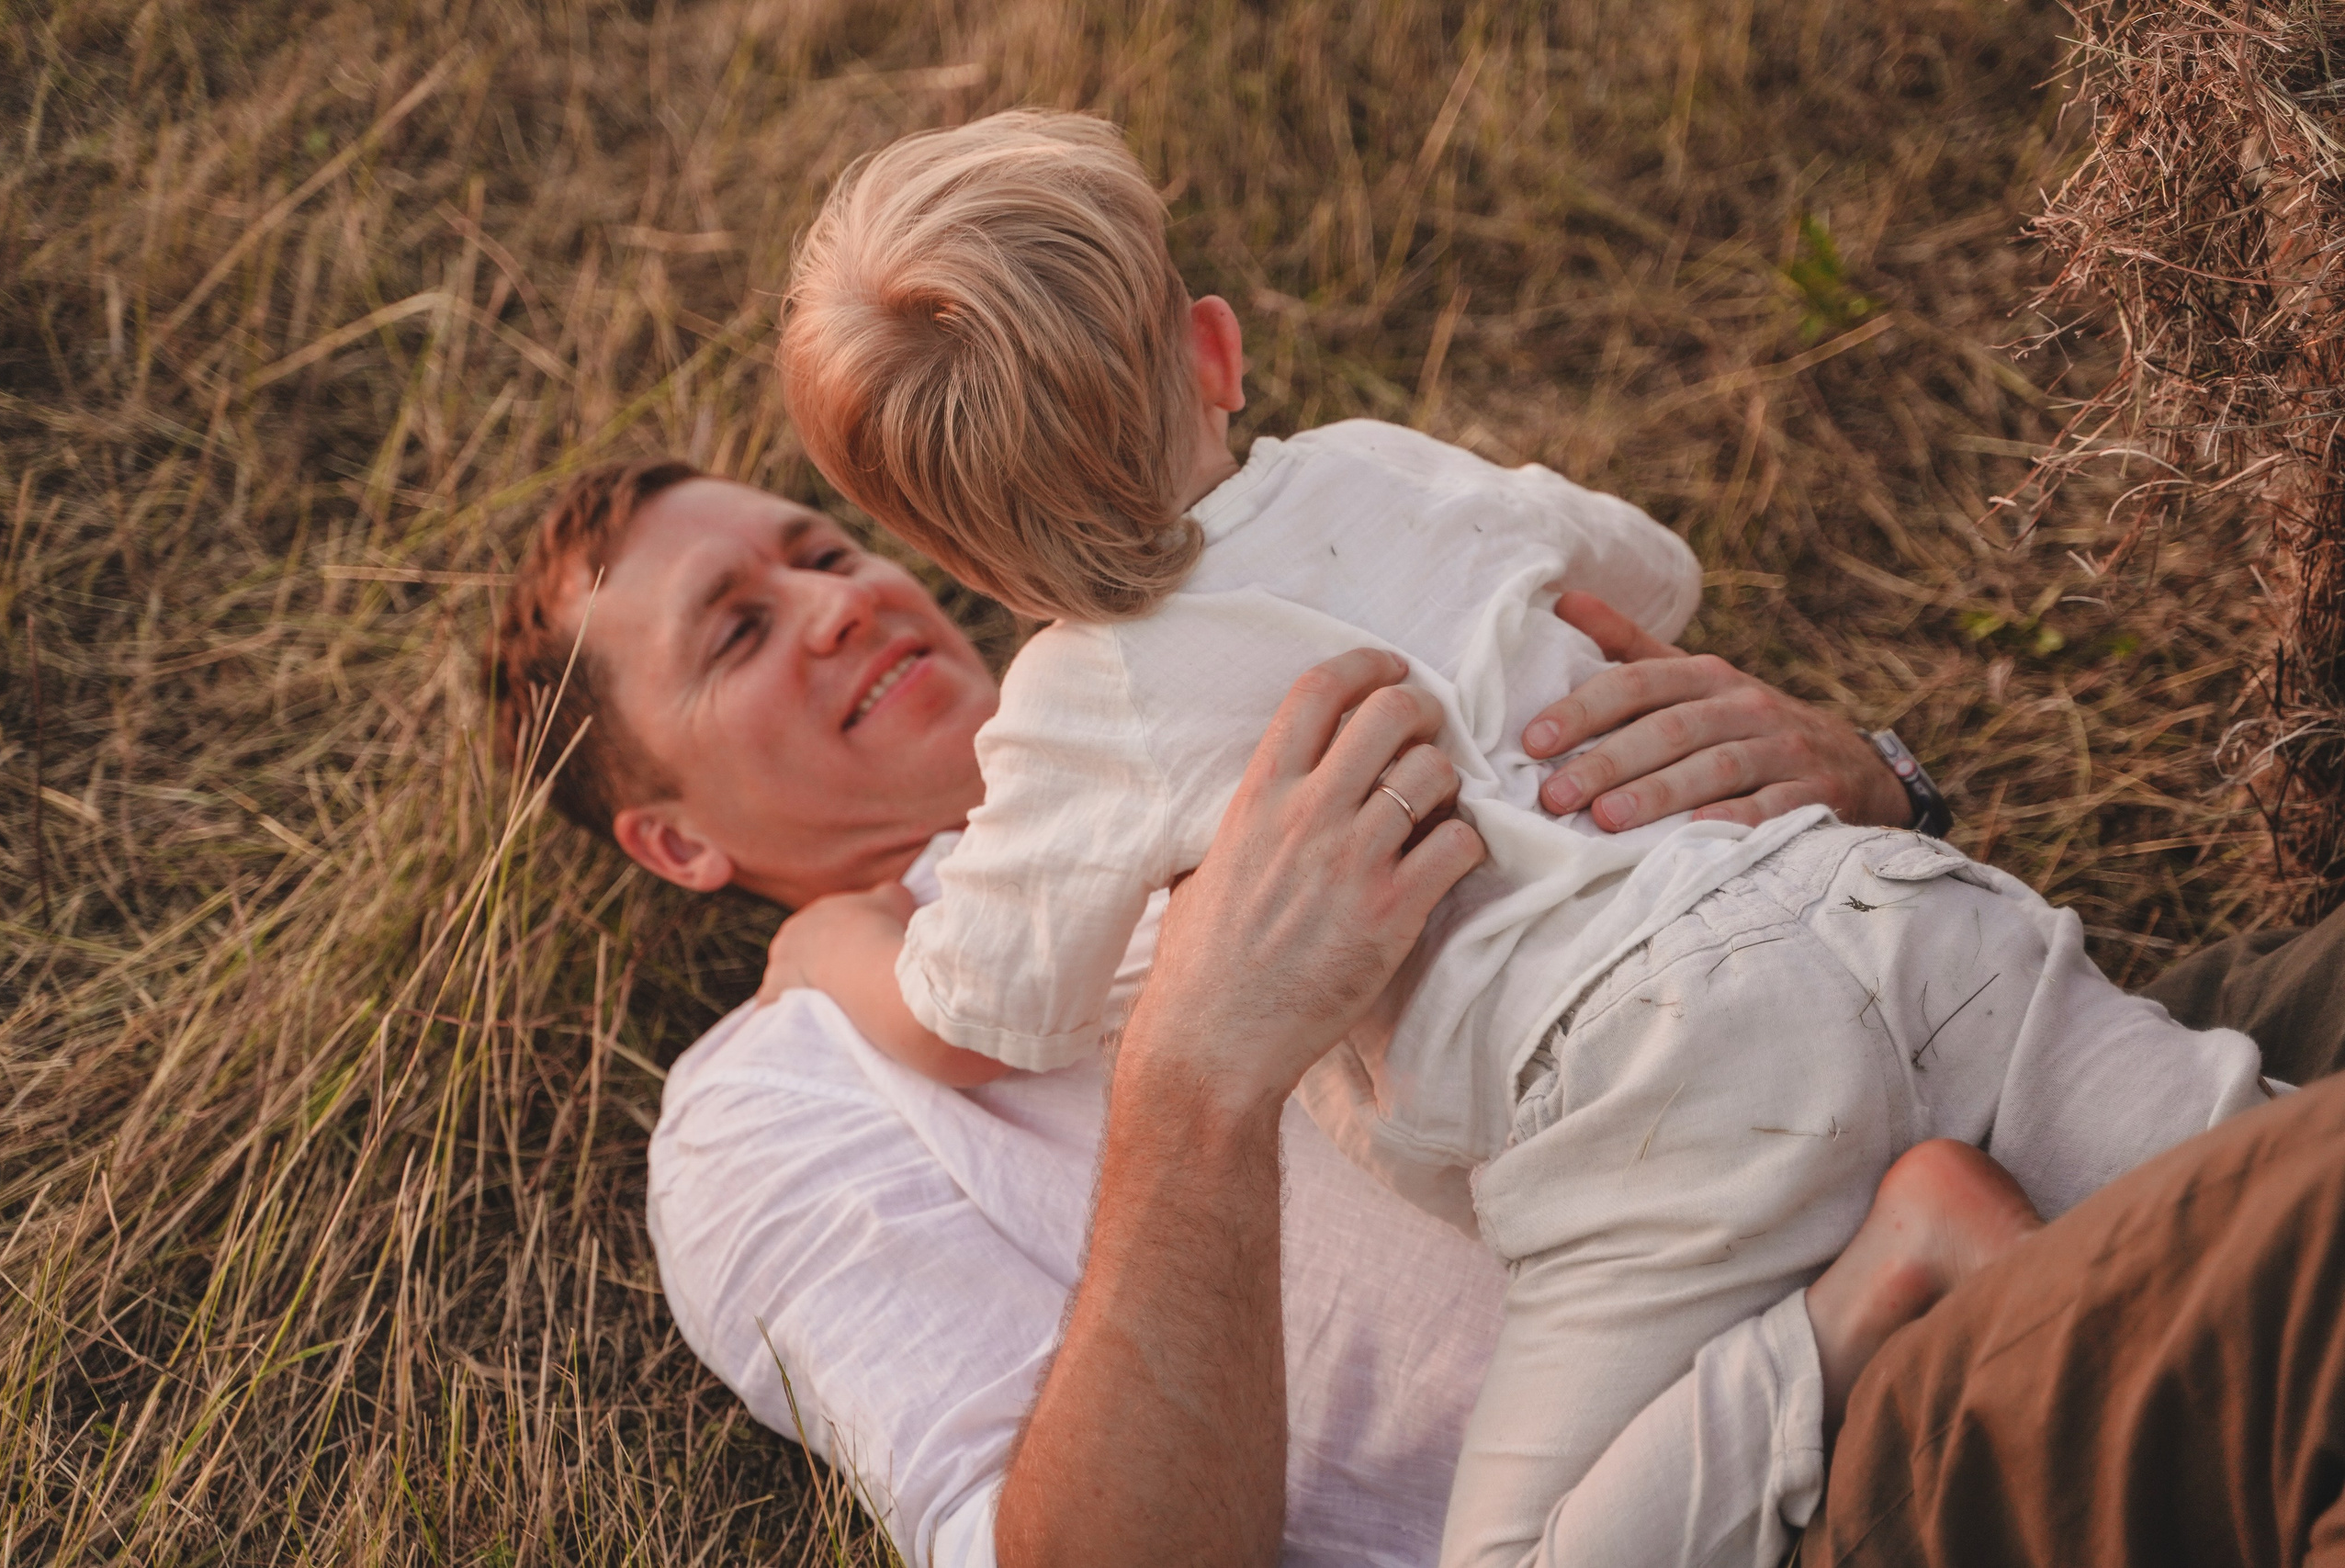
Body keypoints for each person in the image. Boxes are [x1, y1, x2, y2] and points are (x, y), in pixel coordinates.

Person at [769, 110, 2272, 1564]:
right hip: (1871, 898)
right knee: (2269, 1181)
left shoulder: (1079, 704)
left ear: (957, 553)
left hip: (1646, 1097)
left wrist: (839, 943)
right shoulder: (1380, 463)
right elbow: (1651, 579)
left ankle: (1894, 1274)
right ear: (1214, 350)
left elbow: (983, 1015)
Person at [489, 462, 2345, 1567]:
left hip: (2034, 1027)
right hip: (1813, 1437)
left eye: (819, 550)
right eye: (735, 630)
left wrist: (1864, 780)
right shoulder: (778, 1104)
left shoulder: (1196, 657)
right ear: (674, 839)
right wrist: (1200, 1069)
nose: (832, 603)